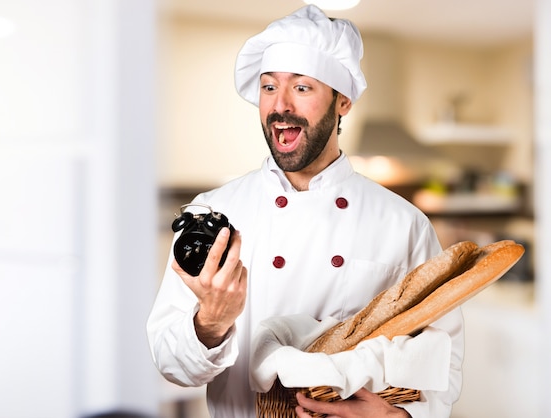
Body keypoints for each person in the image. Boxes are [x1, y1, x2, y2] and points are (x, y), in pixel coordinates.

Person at [147, 5, 464, 418]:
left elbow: (446, 363)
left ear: (343, 101)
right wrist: (210, 323)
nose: (280, 106)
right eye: (268, 87)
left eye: (301, 88)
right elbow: (172, 366)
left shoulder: (404, 223)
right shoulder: (213, 213)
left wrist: (394, 417)